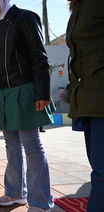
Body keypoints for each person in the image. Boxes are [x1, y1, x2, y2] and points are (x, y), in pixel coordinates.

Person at [0, 0, 55, 211]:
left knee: (31, 144)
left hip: (24, 89)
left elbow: (39, 56)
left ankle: (40, 201)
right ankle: (15, 194)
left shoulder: (25, 18)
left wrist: (43, 93)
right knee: (11, 144)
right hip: (2, 94)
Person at [66, 0, 104, 211]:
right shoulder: (79, 6)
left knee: (101, 173)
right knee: (98, 169)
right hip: (89, 96)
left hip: (99, 95)